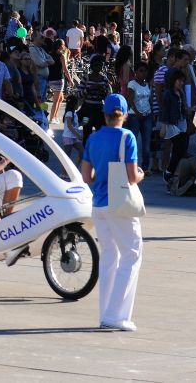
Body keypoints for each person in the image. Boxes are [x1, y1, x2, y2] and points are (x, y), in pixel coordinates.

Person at [80, 93, 144, 332]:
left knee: (109, 256)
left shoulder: (94, 138)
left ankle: (105, 313)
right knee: (132, 255)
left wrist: (102, 177)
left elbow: (87, 176)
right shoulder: (126, 137)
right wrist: (141, 174)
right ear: (124, 115)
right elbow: (131, 176)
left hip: (98, 203)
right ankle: (116, 316)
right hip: (119, 204)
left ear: (104, 114)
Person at [125, 63, 153, 176]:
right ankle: (131, 166)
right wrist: (137, 112)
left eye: (145, 71)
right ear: (136, 72)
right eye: (141, 71)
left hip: (147, 115)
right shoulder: (132, 84)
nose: (143, 73)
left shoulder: (147, 84)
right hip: (134, 116)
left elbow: (149, 99)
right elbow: (130, 100)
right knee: (133, 142)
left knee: (146, 143)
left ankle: (145, 167)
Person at [61, 95, 84, 169]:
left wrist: (82, 123)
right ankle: (64, 174)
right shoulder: (69, 113)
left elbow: (75, 126)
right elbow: (69, 126)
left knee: (82, 152)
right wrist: (78, 135)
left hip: (74, 137)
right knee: (67, 156)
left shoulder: (74, 114)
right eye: (77, 103)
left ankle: (74, 169)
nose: (78, 105)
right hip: (68, 137)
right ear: (74, 104)